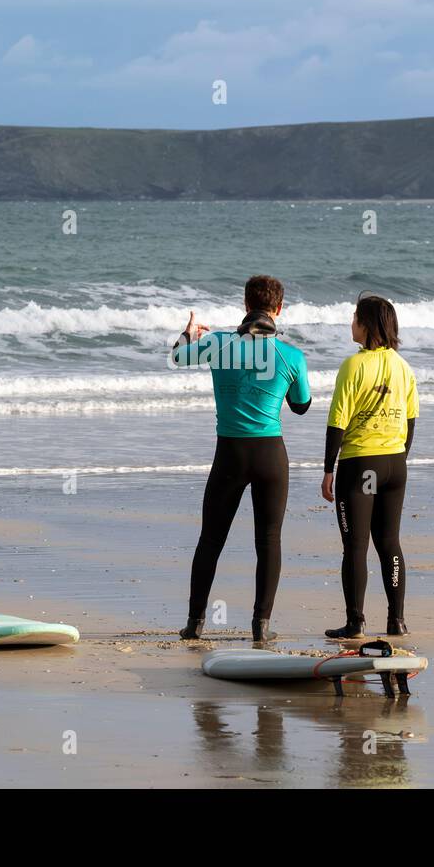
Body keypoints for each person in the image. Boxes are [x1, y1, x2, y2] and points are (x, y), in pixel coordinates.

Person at [171, 275, 311, 642]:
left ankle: (195, 623)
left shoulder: (217, 343)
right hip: (270, 456)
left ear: (245, 305)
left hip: (229, 454)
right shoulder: (291, 355)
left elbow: (177, 358)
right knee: (268, 540)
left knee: (211, 539)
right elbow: (301, 407)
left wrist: (188, 333)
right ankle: (260, 626)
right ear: (279, 309)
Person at [321, 295, 418, 639]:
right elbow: (411, 420)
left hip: (361, 464)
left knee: (356, 545)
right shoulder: (404, 367)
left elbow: (337, 421)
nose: (351, 324)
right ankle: (397, 620)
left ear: (367, 325)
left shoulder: (353, 365)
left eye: (354, 318)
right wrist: (396, 460)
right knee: (390, 542)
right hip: (395, 465)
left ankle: (355, 621)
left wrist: (328, 469)